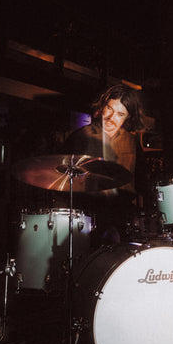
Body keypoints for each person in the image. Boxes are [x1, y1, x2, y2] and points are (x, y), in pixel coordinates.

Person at [63, 83, 146, 245]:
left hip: (123, 219)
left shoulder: (132, 142)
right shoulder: (80, 137)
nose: (111, 118)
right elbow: (61, 181)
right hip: (86, 219)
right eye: (109, 109)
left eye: (120, 114)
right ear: (101, 107)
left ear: (128, 118)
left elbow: (142, 183)